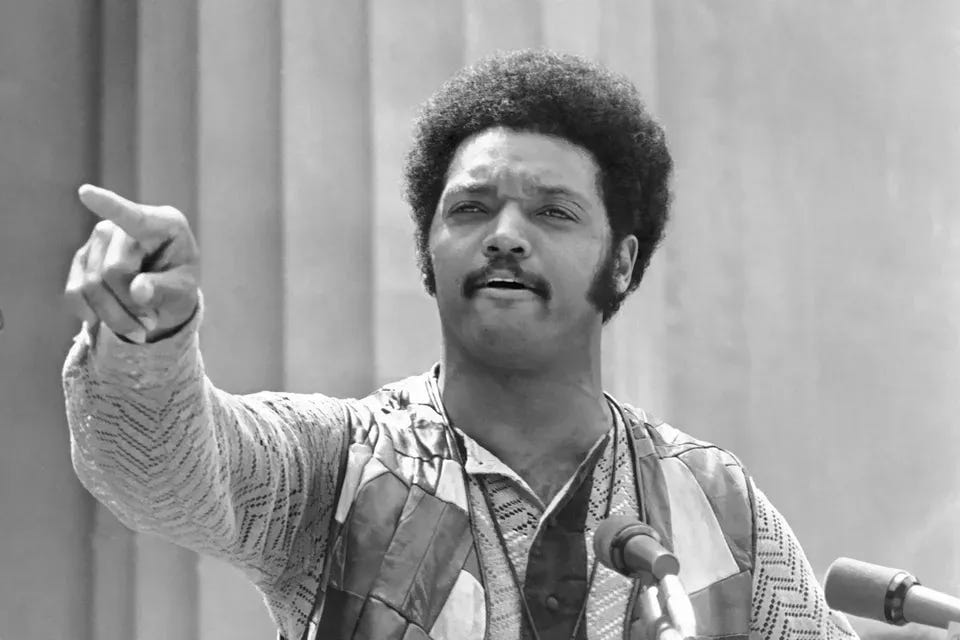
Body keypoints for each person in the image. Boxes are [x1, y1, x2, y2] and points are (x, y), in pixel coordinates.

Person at [63, 50, 858, 640]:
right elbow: (166, 471)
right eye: (471, 208)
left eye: (552, 212)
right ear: (429, 251)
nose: (505, 235)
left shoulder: (714, 503)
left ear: (621, 261)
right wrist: (145, 339)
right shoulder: (339, 465)